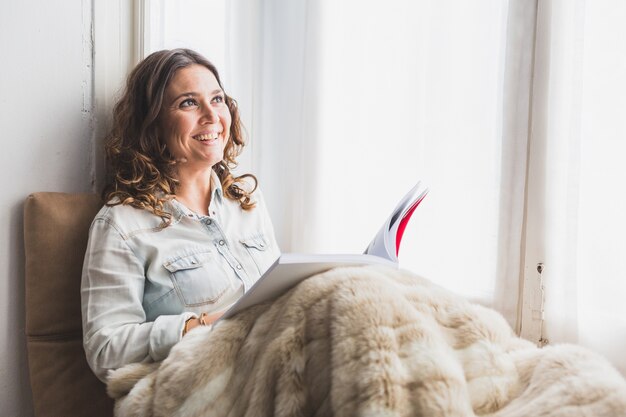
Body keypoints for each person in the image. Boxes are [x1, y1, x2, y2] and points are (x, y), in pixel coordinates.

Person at [81, 48, 280, 382]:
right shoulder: (121, 224)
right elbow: (105, 349)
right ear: (153, 125)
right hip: (198, 386)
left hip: (267, 366)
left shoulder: (247, 200)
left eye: (217, 99)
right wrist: (199, 326)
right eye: (189, 103)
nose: (212, 116)